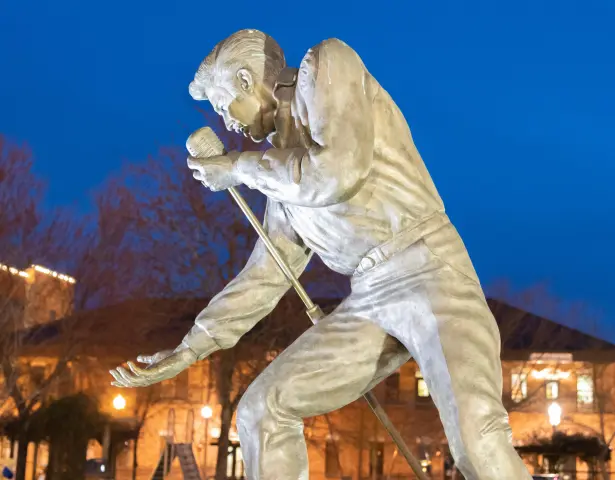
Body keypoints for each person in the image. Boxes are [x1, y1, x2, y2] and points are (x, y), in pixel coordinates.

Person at [110, 29, 532, 480]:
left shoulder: (326, 65)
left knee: (476, 440)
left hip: (427, 268)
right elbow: (266, 275)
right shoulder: (281, 174)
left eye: (222, 105)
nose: (226, 123)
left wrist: (238, 167)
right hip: (368, 298)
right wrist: (190, 347)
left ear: (247, 82)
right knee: (261, 410)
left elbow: (338, 172)